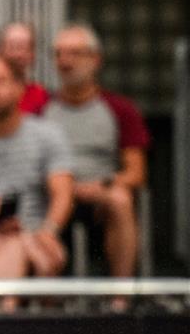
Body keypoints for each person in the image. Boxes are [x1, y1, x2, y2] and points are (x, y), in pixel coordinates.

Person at [44, 24, 151, 277]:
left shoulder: (120, 109)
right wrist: (64, 188)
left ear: (96, 60)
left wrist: (100, 185)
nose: (65, 61)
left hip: (100, 196)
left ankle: (121, 294)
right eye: (59, 54)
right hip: (51, 196)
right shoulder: (42, 109)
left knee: (120, 199)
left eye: (74, 53)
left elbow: (136, 173)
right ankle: (42, 298)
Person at [0, 56, 74, 279]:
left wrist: (48, 231)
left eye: (0, 81)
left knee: (29, 248)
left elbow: (63, 194)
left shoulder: (47, 135)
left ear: (20, 88)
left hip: (35, 232)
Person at [0, 21, 49, 114]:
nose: (17, 54)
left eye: (22, 47)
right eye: (12, 47)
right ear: (0, 51)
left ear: (32, 54)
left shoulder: (40, 96)